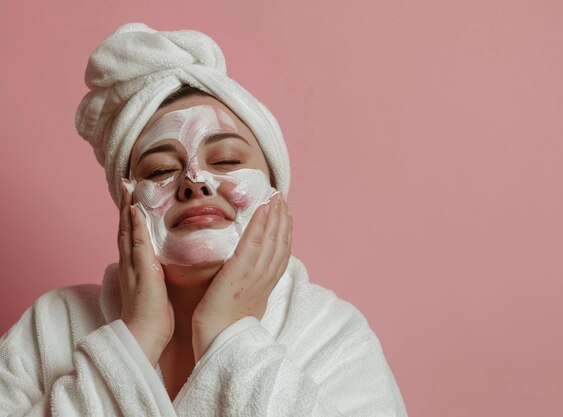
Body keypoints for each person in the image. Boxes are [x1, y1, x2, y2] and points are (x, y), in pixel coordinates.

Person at [0, 23, 408, 416]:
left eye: (227, 160)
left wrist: (230, 333)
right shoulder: (52, 326)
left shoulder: (332, 333)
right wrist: (135, 338)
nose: (194, 181)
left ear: (275, 193)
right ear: (126, 203)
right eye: (160, 170)